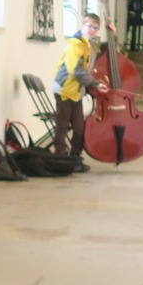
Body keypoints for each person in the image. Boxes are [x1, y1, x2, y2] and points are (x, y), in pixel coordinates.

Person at [52, 12, 105, 168]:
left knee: (79, 127)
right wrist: (94, 84)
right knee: (62, 125)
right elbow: (76, 69)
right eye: (90, 26)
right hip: (65, 89)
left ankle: (75, 157)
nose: (92, 30)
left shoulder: (91, 43)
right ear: (82, 25)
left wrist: (112, 31)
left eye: (96, 28)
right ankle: (60, 156)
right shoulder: (75, 44)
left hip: (76, 91)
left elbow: (100, 48)